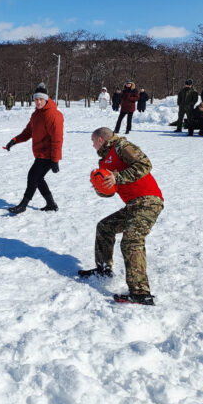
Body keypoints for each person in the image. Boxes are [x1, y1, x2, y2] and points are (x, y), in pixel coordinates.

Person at [79, 127, 164, 306]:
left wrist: (117, 177)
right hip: (133, 205)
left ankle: (141, 293)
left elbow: (145, 164)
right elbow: (110, 192)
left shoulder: (121, 146)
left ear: (100, 140)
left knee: (132, 240)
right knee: (105, 227)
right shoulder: (104, 163)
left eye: (93, 141)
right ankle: (103, 269)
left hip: (148, 201)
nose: (92, 145)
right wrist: (100, 186)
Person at [4, 83, 63, 214]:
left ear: (46, 99)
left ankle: (23, 205)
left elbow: (57, 139)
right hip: (40, 153)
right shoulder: (36, 114)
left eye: (41, 99)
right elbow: (27, 132)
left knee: (33, 176)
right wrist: (14, 141)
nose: (38, 102)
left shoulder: (54, 115)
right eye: (36, 99)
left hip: (48, 154)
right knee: (38, 178)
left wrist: (55, 160)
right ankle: (51, 203)